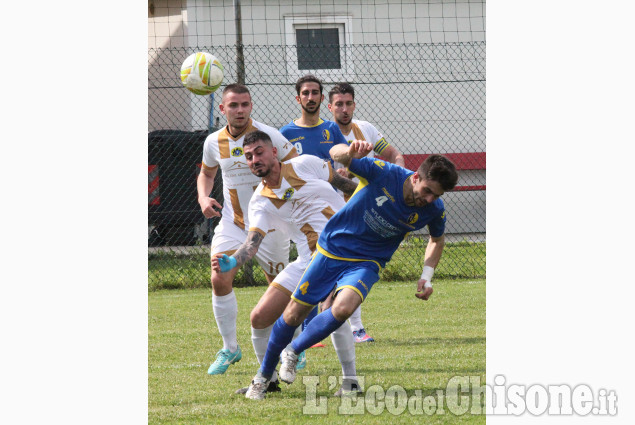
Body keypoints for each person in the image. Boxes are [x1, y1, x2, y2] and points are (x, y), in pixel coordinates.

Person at [243, 142, 459, 400]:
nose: (429, 199)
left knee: (343, 308)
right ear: (416, 177)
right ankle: (263, 378)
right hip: (332, 249)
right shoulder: (384, 172)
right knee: (293, 314)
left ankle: (294, 350)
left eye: (436, 195)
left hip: (368, 262)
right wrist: (349, 152)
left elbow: (437, 239)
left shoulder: (433, 210)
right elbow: (337, 155)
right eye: (427, 191)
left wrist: (426, 275)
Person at [213, 130, 361, 396]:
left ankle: (350, 381)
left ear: (273, 152)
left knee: (333, 310)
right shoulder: (259, 201)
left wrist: (367, 208)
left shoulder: (306, 164)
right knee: (259, 317)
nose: (254, 159)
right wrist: (232, 261)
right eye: (248, 157)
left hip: (342, 253)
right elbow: (252, 244)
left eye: (259, 152)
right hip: (308, 260)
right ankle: (268, 380)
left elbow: (347, 186)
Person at [197, 84, 298, 375]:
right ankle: (230, 348)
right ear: (222, 109)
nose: (239, 110)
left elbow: (295, 167)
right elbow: (206, 172)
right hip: (233, 222)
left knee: (279, 289)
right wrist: (204, 197)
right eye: (233, 105)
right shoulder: (213, 141)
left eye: (244, 104)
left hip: (271, 224)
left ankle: (291, 347)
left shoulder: (270, 136)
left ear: (251, 106)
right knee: (219, 276)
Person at [327, 82, 407, 343]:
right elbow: (331, 180)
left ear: (354, 104)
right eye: (339, 104)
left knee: (351, 268)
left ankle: (356, 328)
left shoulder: (367, 129)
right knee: (322, 268)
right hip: (327, 210)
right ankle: (313, 327)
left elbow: (394, 153)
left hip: (359, 213)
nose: (344, 108)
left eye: (348, 103)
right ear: (330, 107)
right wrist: (350, 179)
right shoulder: (325, 135)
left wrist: (401, 178)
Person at [279, 74, 350, 345]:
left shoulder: (331, 130)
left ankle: (329, 321)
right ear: (298, 98)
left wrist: (345, 161)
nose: (311, 97)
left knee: (333, 263)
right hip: (300, 210)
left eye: (315, 92)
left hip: (330, 208)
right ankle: (307, 324)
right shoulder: (286, 134)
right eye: (306, 93)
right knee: (309, 263)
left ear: (322, 98)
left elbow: (340, 153)